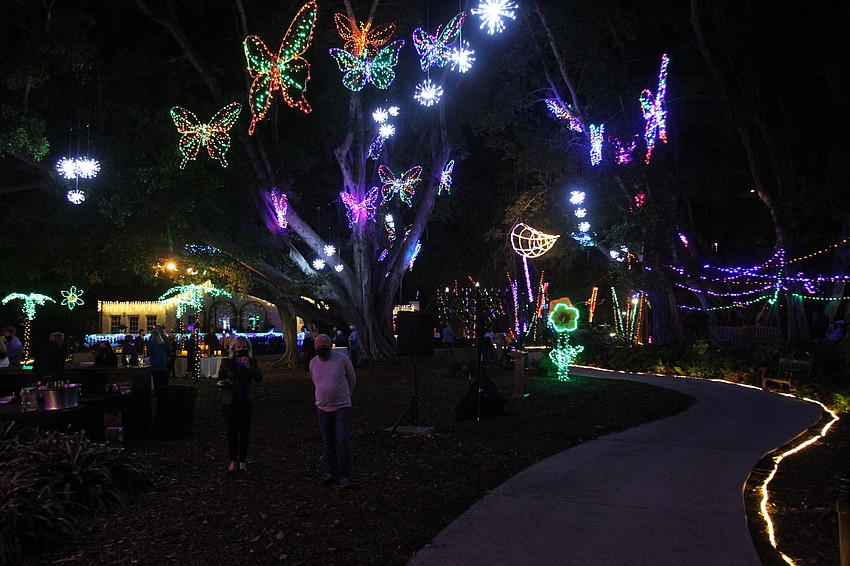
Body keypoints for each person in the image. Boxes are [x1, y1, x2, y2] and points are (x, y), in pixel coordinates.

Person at [309, 333, 356, 488]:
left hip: (342, 406)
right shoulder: (313, 363)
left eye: (324, 346)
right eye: (318, 347)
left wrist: (344, 396)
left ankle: (344, 475)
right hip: (322, 408)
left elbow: (352, 380)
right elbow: (315, 381)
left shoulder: (343, 360)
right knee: (328, 442)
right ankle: (333, 473)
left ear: (331, 345)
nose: (321, 349)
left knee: (342, 439)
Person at [217, 336, 263, 473]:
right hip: (230, 401)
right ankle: (232, 460)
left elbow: (258, 378)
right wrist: (224, 385)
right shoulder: (226, 362)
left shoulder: (252, 361)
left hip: (245, 400)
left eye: (244, 348)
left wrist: (248, 366)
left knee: (244, 432)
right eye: (238, 348)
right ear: (233, 349)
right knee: (231, 431)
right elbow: (221, 379)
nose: (241, 350)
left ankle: (242, 461)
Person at [147, 328, 169, 395]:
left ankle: (157, 391)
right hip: (163, 359)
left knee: (156, 377)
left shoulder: (151, 342)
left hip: (155, 360)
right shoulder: (162, 342)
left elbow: (149, 352)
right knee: (163, 376)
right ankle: (164, 391)